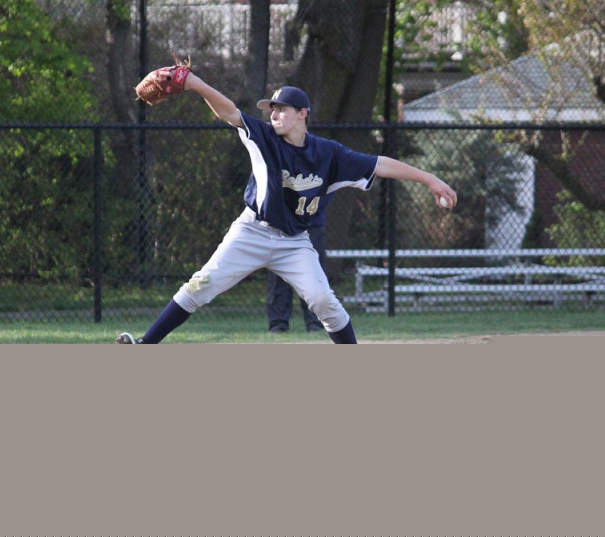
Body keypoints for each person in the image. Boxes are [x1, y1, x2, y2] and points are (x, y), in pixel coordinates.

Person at [116, 75, 457, 345]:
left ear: (302, 114)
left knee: (324, 301)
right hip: (252, 231)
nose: (274, 114)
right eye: (272, 109)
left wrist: (429, 179)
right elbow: (229, 111)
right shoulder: (263, 138)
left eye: (281, 108)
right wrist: (193, 83)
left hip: (294, 242)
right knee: (201, 284)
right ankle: (147, 345)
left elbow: (379, 164)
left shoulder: (329, 154)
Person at [266, 190, 333, 333]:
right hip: (281, 224)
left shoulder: (322, 167)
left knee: (313, 274)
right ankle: (278, 323)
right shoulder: (281, 166)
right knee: (278, 271)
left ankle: (315, 322)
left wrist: (308, 208)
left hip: (312, 224)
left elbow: (330, 186)